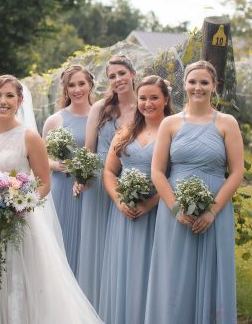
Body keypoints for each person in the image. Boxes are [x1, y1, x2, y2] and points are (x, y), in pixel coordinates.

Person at [0, 75, 102, 323]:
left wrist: (16, 204)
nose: (3, 101)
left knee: (16, 282)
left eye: (9, 96)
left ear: (19, 100)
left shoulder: (29, 136)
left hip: (18, 223)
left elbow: (43, 183)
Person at [145, 61, 244, 323]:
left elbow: (236, 172)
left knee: (212, 274)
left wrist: (212, 211)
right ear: (184, 84)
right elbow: (157, 172)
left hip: (216, 210)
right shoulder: (170, 123)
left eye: (204, 82)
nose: (197, 87)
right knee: (175, 277)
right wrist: (176, 207)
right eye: (192, 81)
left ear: (214, 86)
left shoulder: (227, 122)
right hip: (175, 211)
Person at [99, 76, 173, 324]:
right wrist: (120, 200)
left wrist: (151, 203)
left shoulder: (174, 131)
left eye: (154, 98)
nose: (148, 103)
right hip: (124, 216)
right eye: (143, 98)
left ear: (165, 100)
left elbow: (175, 176)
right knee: (125, 272)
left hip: (157, 213)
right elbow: (109, 172)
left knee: (153, 273)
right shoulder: (126, 131)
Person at [76, 54, 137, 313]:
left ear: (133, 74)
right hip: (101, 181)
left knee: (124, 246)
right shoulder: (101, 108)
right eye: (112, 76)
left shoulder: (144, 105)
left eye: (121, 73)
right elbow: (89, 150)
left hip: (133, 180)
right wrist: (82, 177)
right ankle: (91, 308)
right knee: (97, 245)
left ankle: (120, 304)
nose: (117, 80)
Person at [41, 64, 95, 275]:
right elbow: (41, 157)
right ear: (65, 89)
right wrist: (56, 164)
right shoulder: (55, 120)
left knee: (88, 243)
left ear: (90, 84)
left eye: (81, 83)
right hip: (61, 189)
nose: (77, 89)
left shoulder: (101, 117)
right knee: (62, 241)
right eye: (71, 85)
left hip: (90, 188)